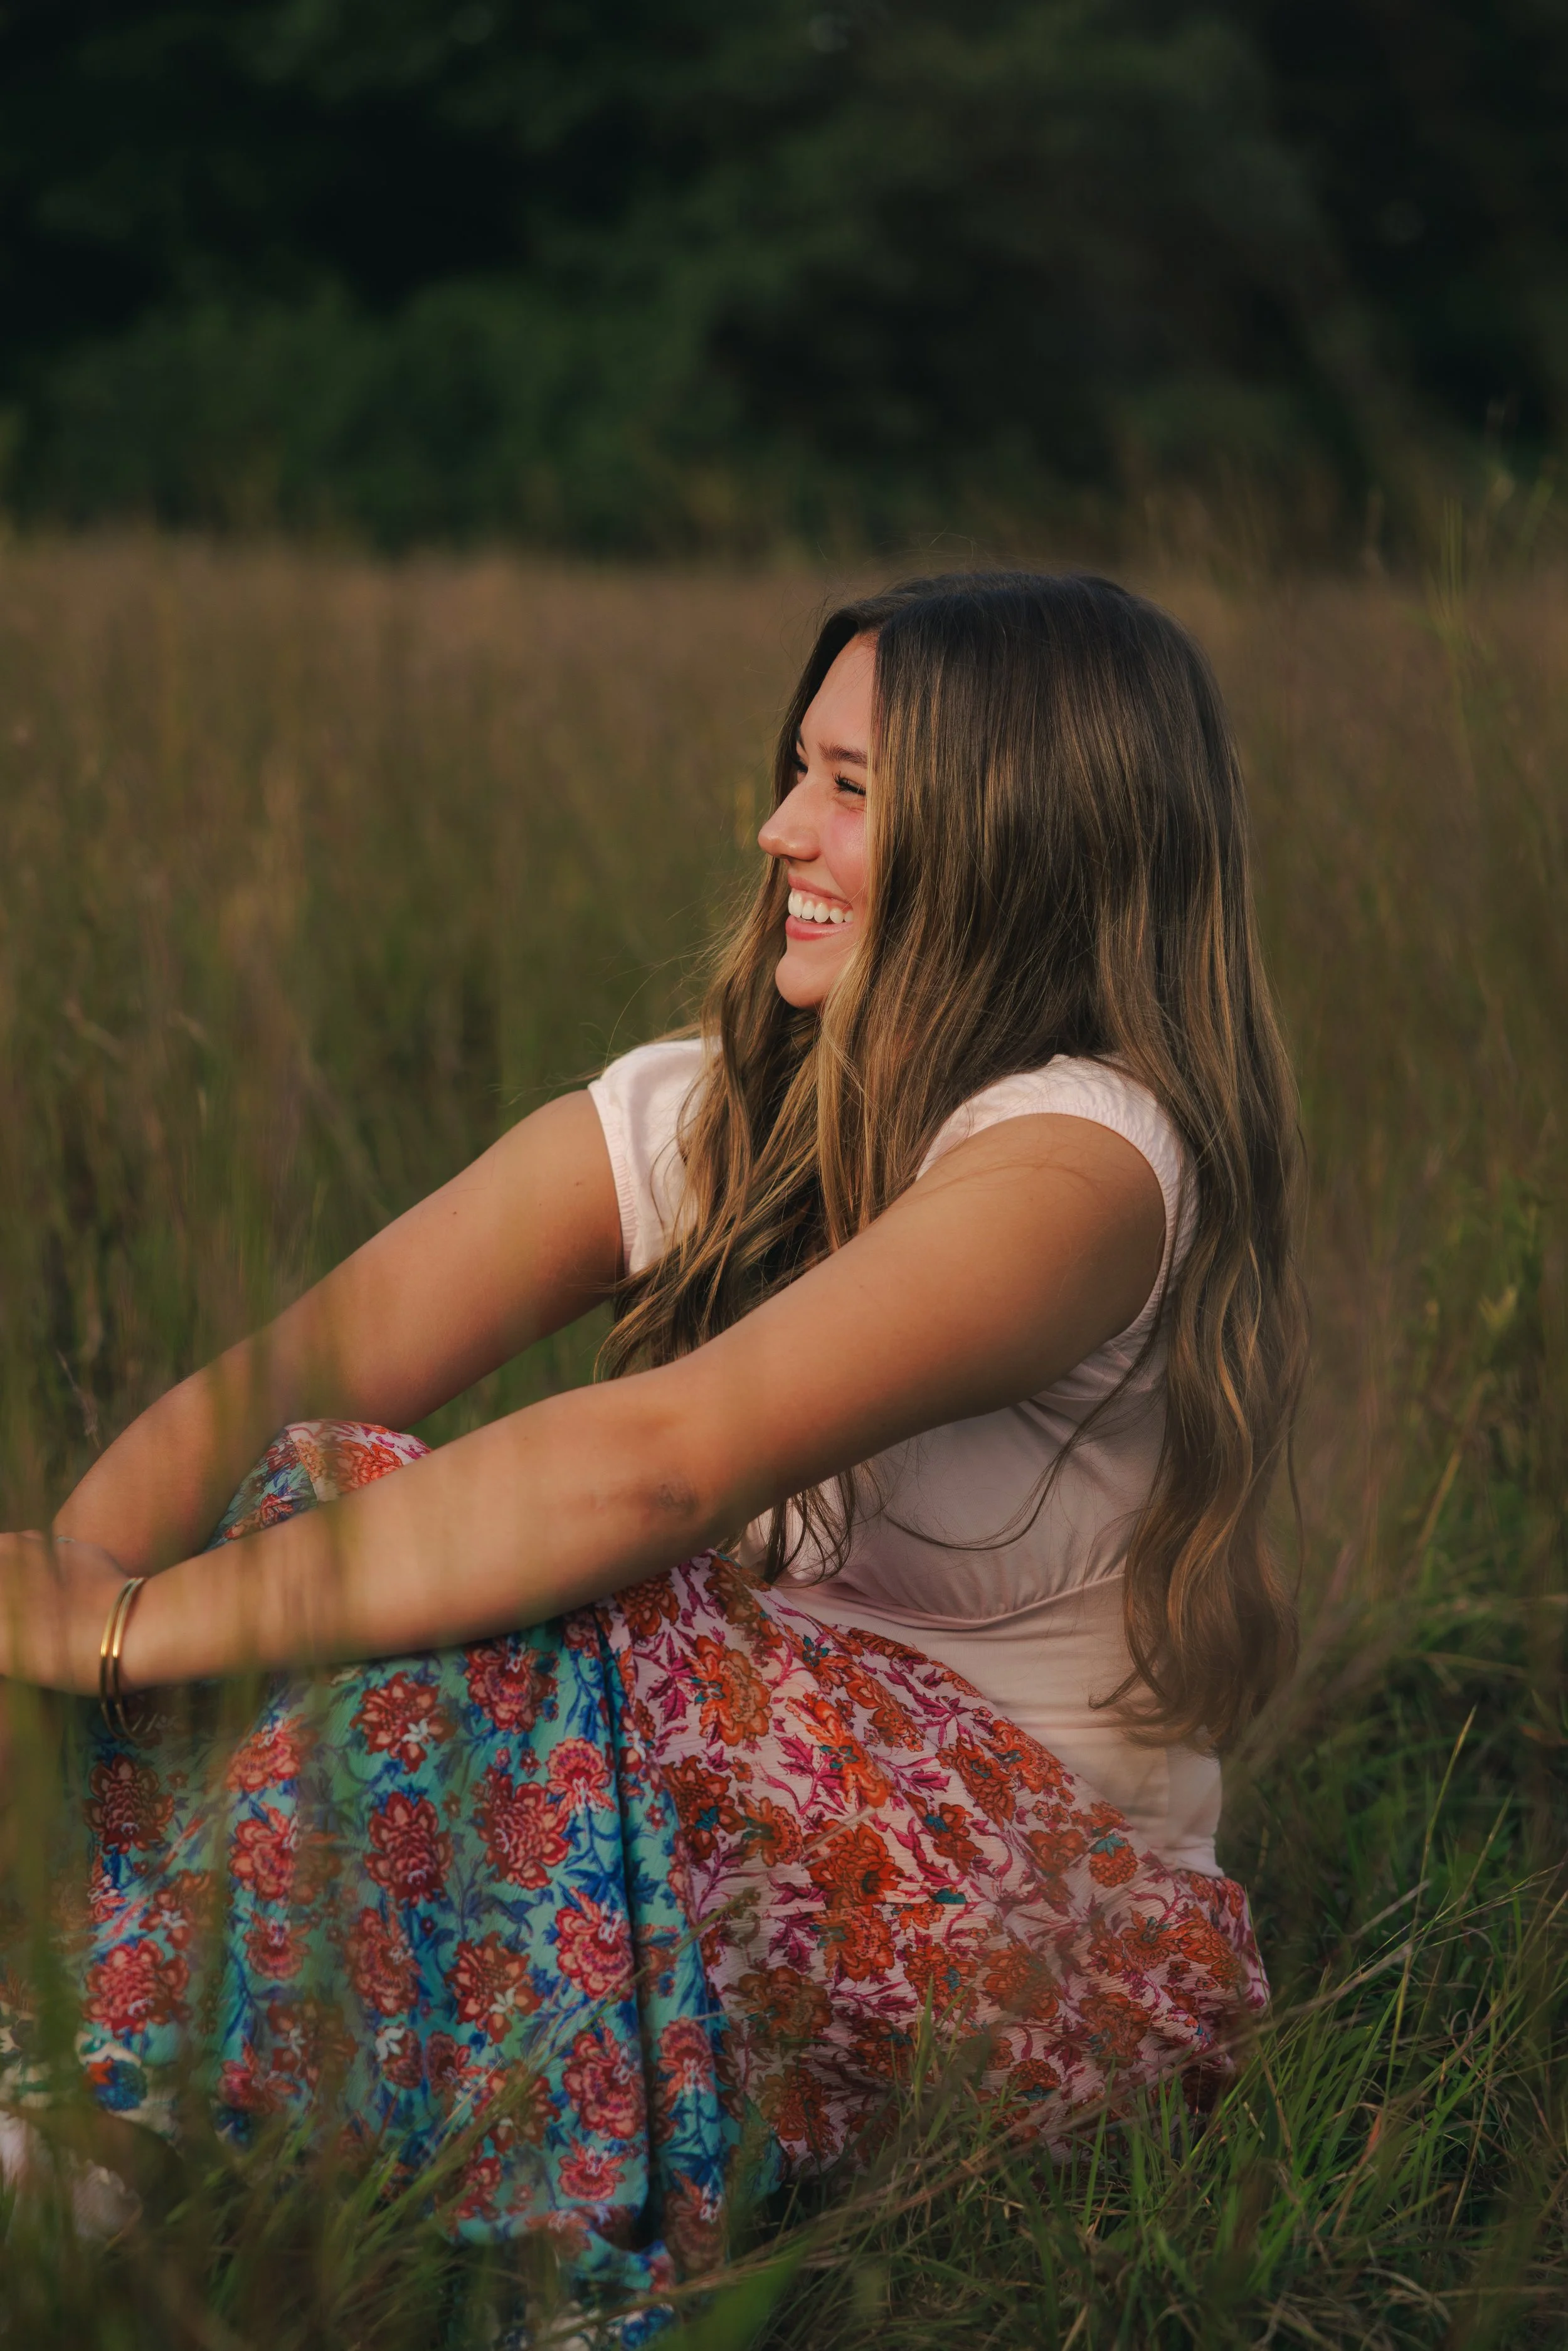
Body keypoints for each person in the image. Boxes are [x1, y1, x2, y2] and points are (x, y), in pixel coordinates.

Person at [0, 571, 1305, 2310]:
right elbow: (283, 1376)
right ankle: (82, 2049)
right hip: (691, 1830)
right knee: (333, 1490)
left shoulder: (1081, 1164)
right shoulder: (722, 1108)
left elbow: (659, 1467)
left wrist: (123, 1627)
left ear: (1009, 831)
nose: (780, 827)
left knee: (516, 1573)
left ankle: (110, 2126)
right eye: (797, 770)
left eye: (849, 787)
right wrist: (53, 1640)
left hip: (1031, 1943)